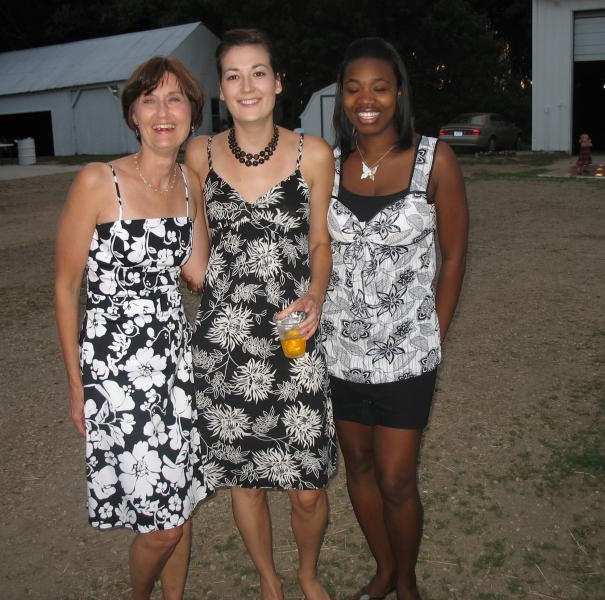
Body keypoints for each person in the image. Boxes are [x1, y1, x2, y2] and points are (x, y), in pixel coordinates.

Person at [185, 29, 336, 600]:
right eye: (233, 75)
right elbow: (193, 243)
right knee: (244, 482)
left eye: (257, 73)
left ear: (277, 82)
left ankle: (307, 574)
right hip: (225, 339)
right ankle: (269, 581)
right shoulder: (198, 155)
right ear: (221, 89)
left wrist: (315, 294)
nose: (246, 86)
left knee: (307, 487)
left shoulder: (313, 153)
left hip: (293, 330)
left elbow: (320, 242)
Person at [54, 56, 211, 600]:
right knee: (162, 526)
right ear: (133, 115)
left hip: (174, 364)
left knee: (180, 506)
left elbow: (198, 273)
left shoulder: (191, 183)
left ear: (193, 114)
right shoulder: (99, 181)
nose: (163, 112)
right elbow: (65, 287)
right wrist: (76, 383)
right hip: (117, 371)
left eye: (175, 99)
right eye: (149, 100)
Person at [319, 38, 468, 600]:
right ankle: (383, 570)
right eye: (354, 88)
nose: (367, 100)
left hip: (409, 353)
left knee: (397, 478)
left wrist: (435, 333)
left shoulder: (434, 161)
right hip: (340, 350)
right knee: (357, 466)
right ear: (342, 97)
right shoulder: (327, 166)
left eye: (380, 87)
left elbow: (454, 256)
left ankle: (407, 583)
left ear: (399, 92)